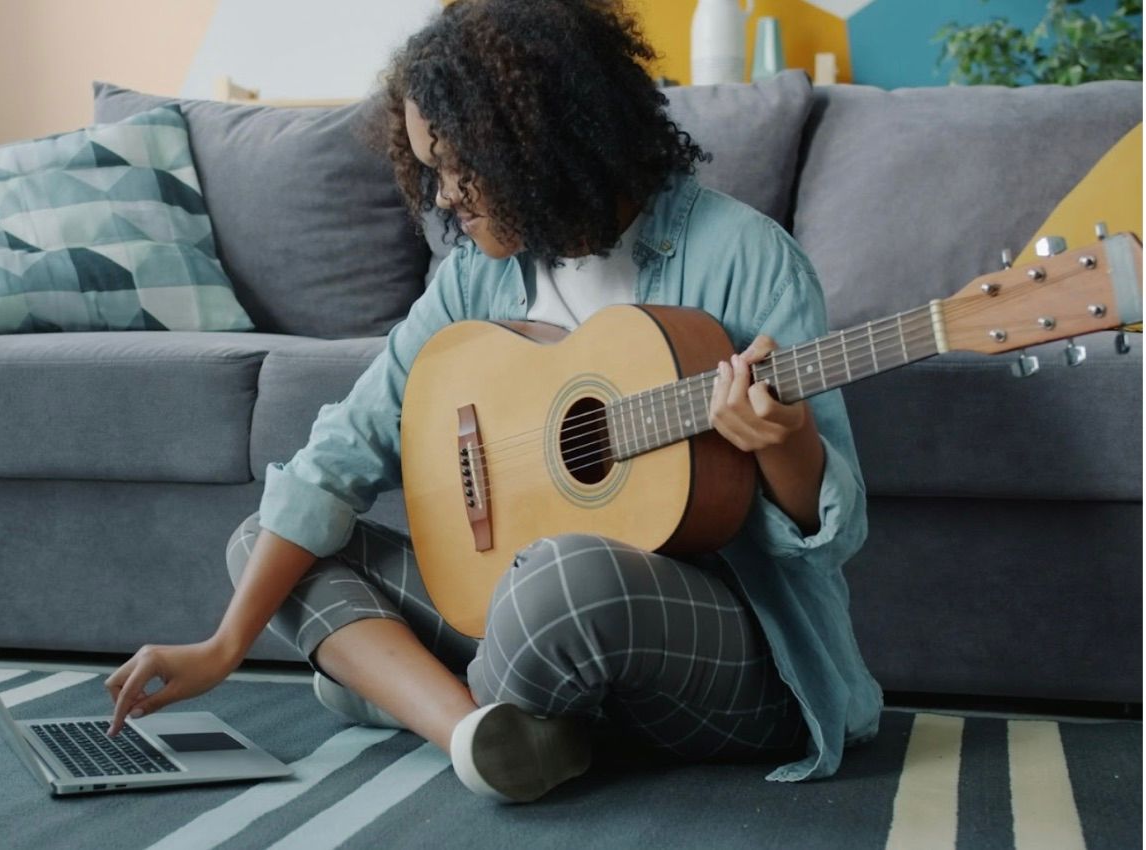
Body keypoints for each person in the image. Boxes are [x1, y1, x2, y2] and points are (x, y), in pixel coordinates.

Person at [106, 0, 881, 804]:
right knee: (264, 540)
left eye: (456, 165)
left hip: (720, 655)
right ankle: (475, 734)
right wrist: (224, 643)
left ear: (538, 139)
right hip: (531, 632)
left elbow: (836, 537)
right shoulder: (477, 281)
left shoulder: (748, 259)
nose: (442, 199)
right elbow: (337, 457)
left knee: (564, 574)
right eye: (426, 169)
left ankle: (399, 687)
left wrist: (781, 441)